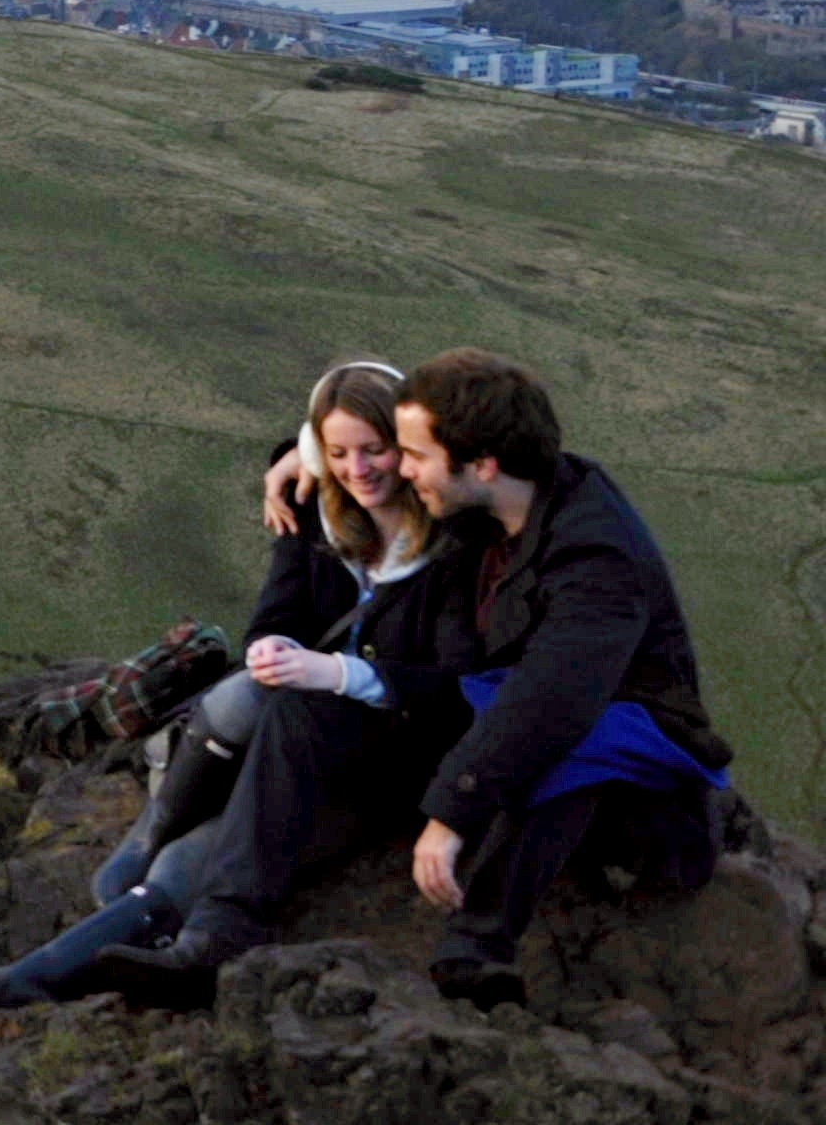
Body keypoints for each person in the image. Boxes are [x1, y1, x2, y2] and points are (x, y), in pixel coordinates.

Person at [102, 348, 727, 1012]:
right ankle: (218, 937)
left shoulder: (597, 555)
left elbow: (552, 699)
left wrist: (452, 812)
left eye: (413, 455)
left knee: (579, 742)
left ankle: (477, 953)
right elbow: (364, 421)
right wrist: (297, 459)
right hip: (477, 714)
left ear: (479, 464)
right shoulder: (500, 488)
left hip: (619, 754)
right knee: (301, 711)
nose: (399, 468)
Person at [0, 360, 437, 1010]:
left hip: (377, 758)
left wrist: (335, 673)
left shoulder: (447, 539)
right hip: (291, 730)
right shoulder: (316, 508)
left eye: (375, 450)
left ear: (409, 445)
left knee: (214, 846)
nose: (357, 469)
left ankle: (40, 977)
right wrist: (274, 648)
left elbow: (451, 681)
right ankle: (119, 873)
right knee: (245, 699)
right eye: (338, 453)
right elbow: (275, 617)